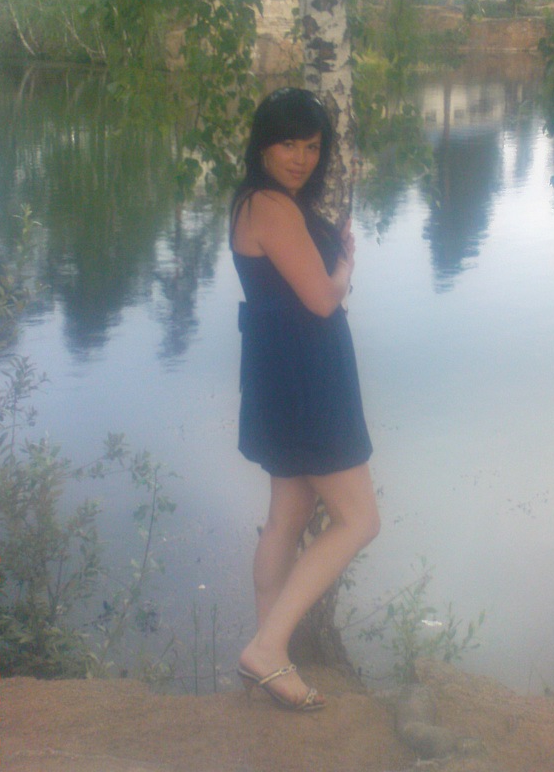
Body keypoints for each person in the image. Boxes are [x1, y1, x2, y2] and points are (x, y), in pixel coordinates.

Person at [230, 88, 379, 712]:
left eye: (312, 146)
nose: (300, 157)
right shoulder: (272, 206)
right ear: (263, 144)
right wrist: (344, 269)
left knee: (287, 516)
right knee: (359, 520)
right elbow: (321, 299)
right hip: (308, 379)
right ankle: (267, 649)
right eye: (288, 143)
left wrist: (327, 257)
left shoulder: (257, 202)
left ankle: (270, 653)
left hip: (281, 373)